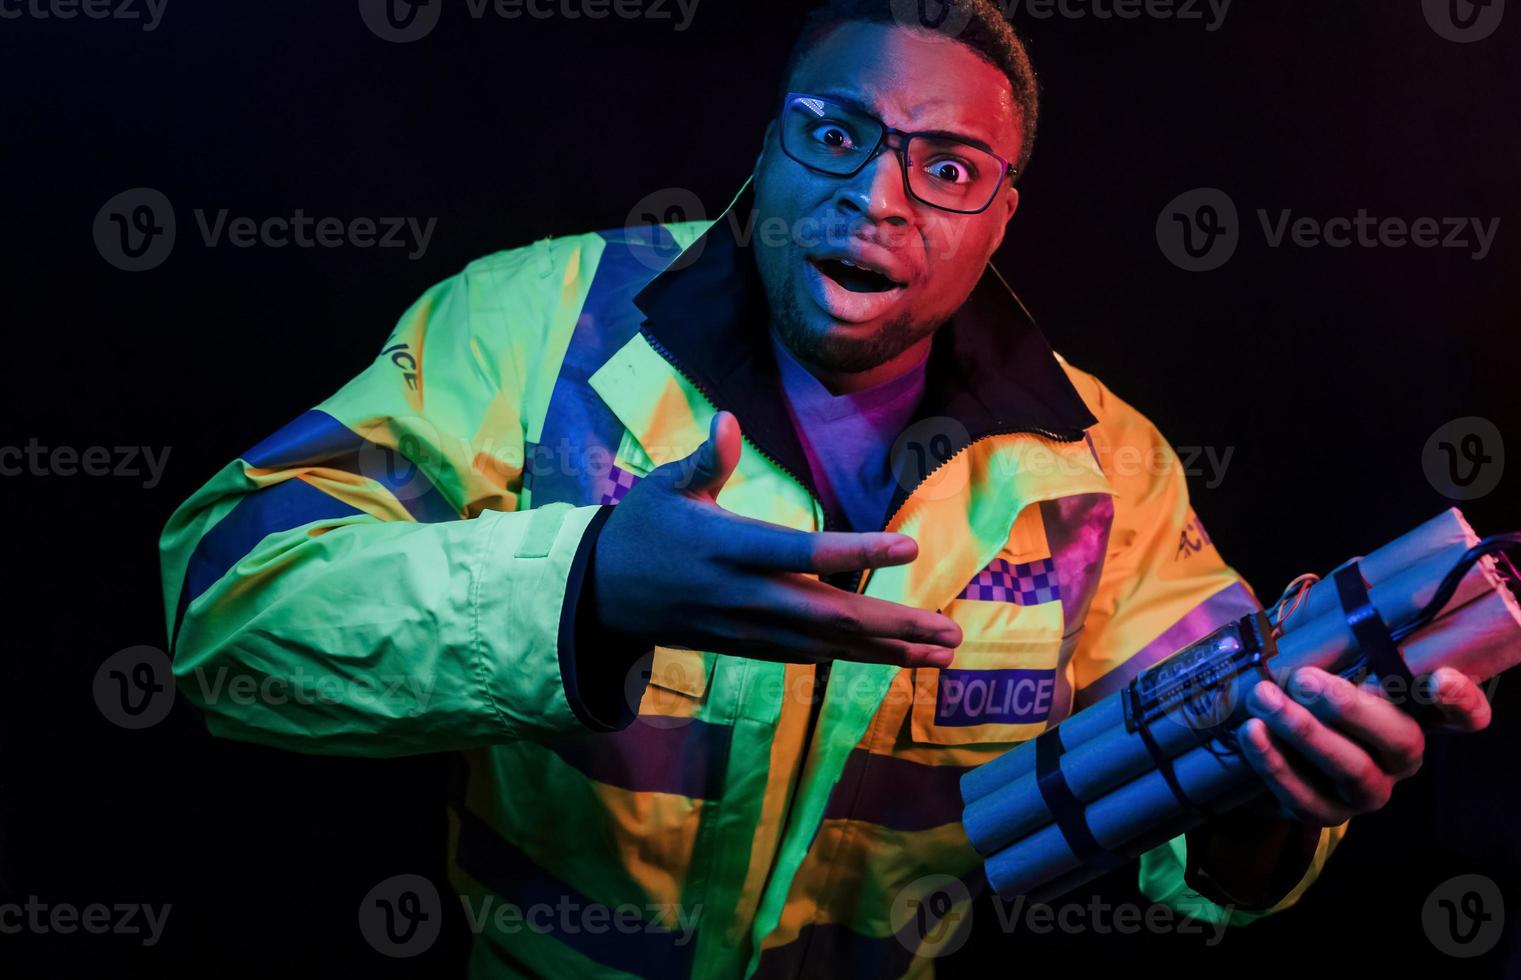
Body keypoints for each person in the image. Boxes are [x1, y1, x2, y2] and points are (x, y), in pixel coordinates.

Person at [158, 1, 1491, 976]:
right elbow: (230, 618)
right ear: (769, 147)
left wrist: (1264, 799)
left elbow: (1186, 811)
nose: (875, 192)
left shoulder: (1104, 471)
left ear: (1000, 215)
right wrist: (586, 587)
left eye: (948, 166)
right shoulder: (533, 324)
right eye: (832, 131)